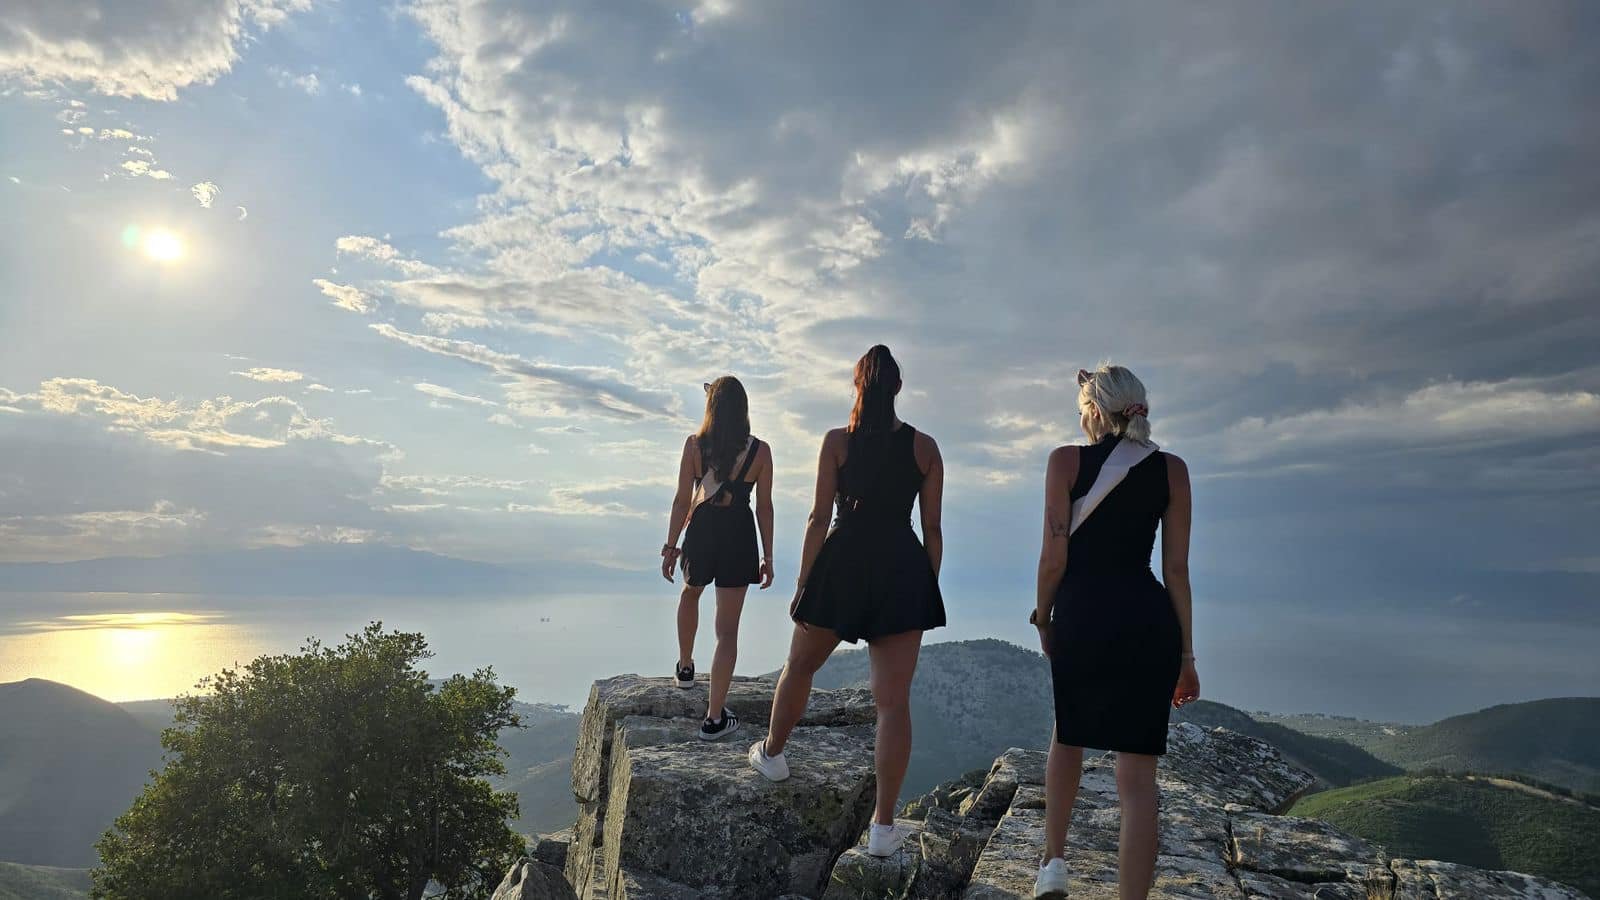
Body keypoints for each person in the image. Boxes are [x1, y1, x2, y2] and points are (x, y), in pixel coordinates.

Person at [748, 344, 946, 859]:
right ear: (898, 389)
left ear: (857, 387)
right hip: (902, 567)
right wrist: (924, 588)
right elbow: (932, 530)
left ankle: (772, 753)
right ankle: (883, 827)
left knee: (799, 666)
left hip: (843, 562)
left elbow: (817, 519)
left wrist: (803, 583)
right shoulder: (925, 449)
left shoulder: (838, 442)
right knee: (892, 703)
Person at [1030, 364, 1200, 900]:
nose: (1080, 422)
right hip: (1149, 620)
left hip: (1082, 614)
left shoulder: (1064, 462)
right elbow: (1177, 571)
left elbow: (1053, 556)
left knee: (1068, 734)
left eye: (1082, 412)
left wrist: (1043, 615)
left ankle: (1054, 863)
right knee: (1138, 781)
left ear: (1097, 412)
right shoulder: (1173, 470)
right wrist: (1187, 656)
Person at [661, 376, 775, 741]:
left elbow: (683, 500)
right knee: (727, 632)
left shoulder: (695, 446)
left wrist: (670, 545)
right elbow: (764, 508)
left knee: (690, 592)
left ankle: (685, 667)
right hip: (739, 537)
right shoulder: (761, 452)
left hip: (702, 532)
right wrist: (768, 557)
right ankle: (714, 718)